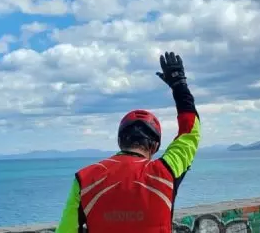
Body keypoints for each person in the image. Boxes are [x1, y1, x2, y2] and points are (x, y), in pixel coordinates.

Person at [54, 51, 201, 233]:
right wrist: (180, 85)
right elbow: (190, 132)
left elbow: (66, 231)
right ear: (155, 146)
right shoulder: (166, 172)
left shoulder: (84, 179)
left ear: (119, 141)